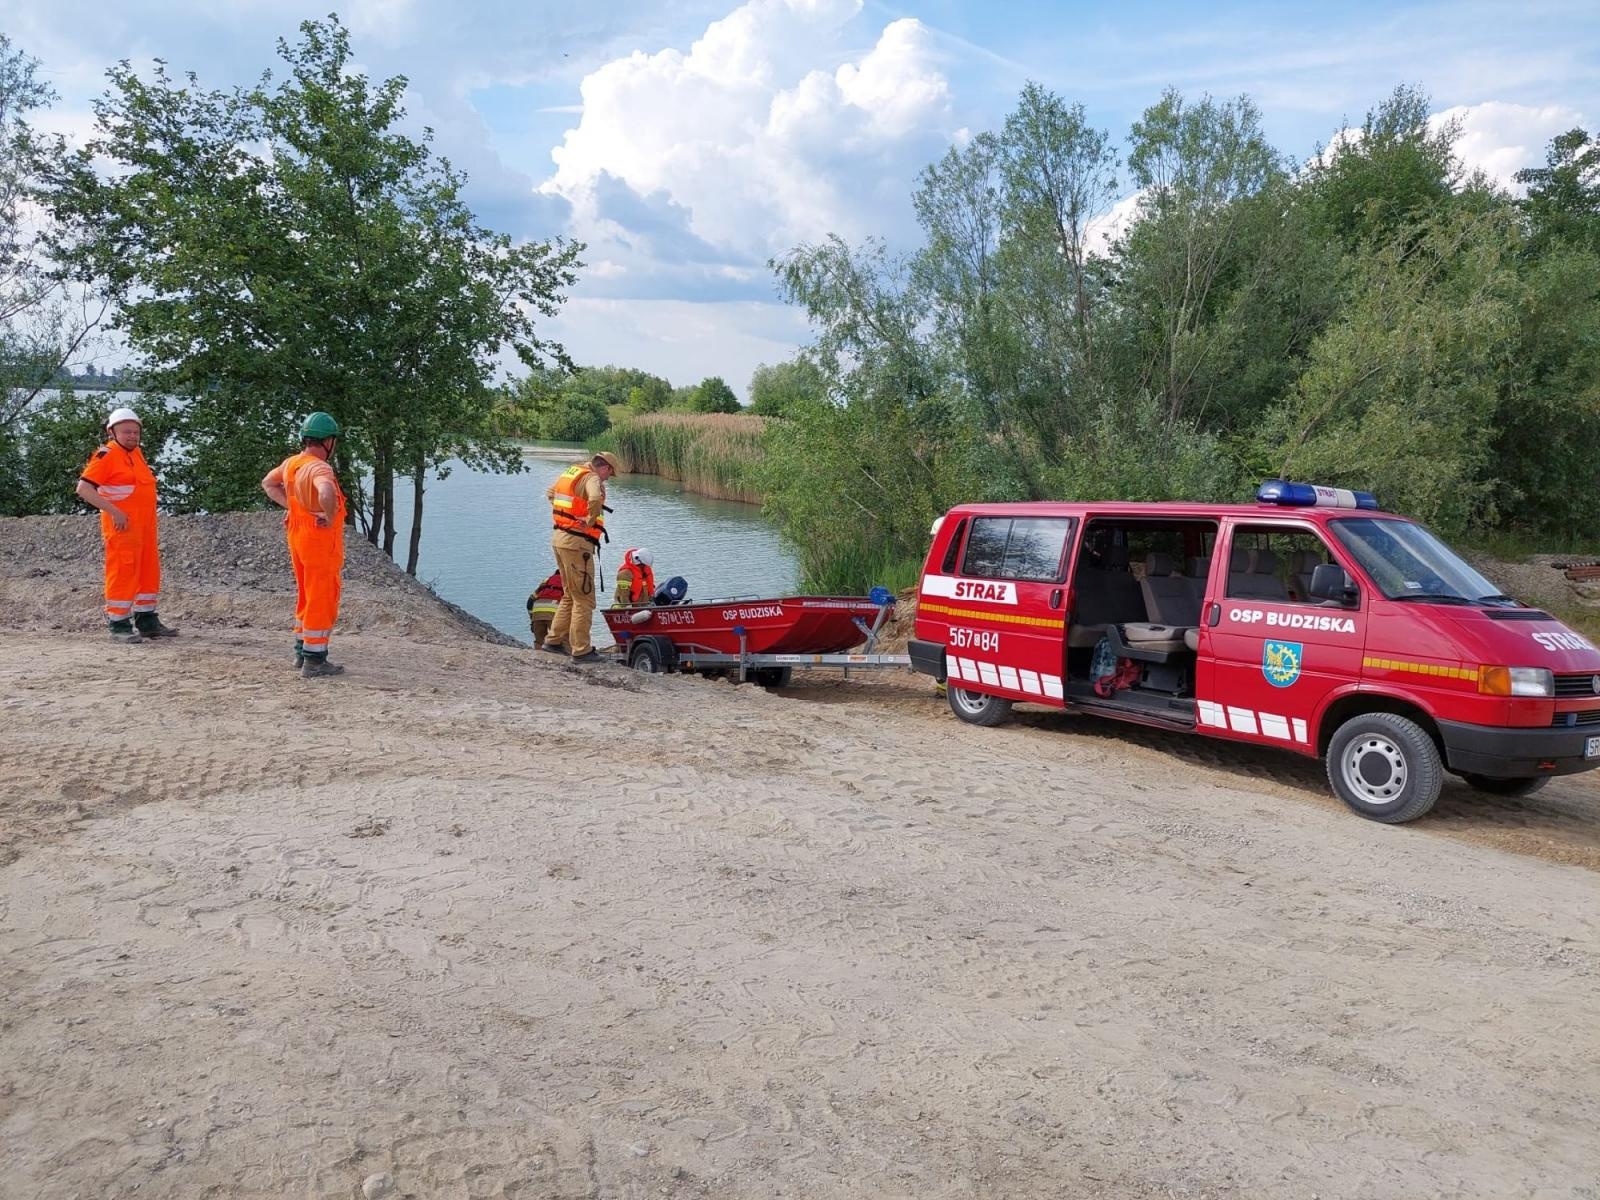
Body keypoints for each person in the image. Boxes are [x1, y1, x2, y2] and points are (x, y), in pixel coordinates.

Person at [75, 406, 177, 643]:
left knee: (147, 572)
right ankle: (119, 625)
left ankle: (147, 621)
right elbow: (84, 488)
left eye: (135, 432)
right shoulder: (106, 455)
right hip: (122, 529)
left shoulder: (135, 454)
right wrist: (114, 512)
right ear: (112, 432)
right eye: (126, 432)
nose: (132, 436)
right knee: (123, 572)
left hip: (144, 528)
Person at [262, 412, 347, 678]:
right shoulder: (319, 467)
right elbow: (326, 491)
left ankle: (301, 651)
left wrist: (293, 507)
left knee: (306, 594)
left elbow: (268, 483)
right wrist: (330, 515)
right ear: (328, 442)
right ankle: (315, 659)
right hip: (319, 541)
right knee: (321, 596)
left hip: (298, 537)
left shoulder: (292, 463)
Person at [540, 450, 619, 663]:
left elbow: (550, 493)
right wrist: (588, 519)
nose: (608, 478)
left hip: (559, 539)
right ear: (604, 467)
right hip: (577, 545)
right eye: (609, 474)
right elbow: (594, 497)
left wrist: (566, 518)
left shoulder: (571, 472)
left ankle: (553, 641)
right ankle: (581, 649)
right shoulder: (591, 477)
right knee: (584, 598)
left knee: (569, 594)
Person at [527, 569, 563, 645]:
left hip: (537, 612)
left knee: (539, 642)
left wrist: (532, 619)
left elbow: (530, 602)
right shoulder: (568, 582)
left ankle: (538, 656)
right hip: (554, 613)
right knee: (561, 641)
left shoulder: (547, 581)